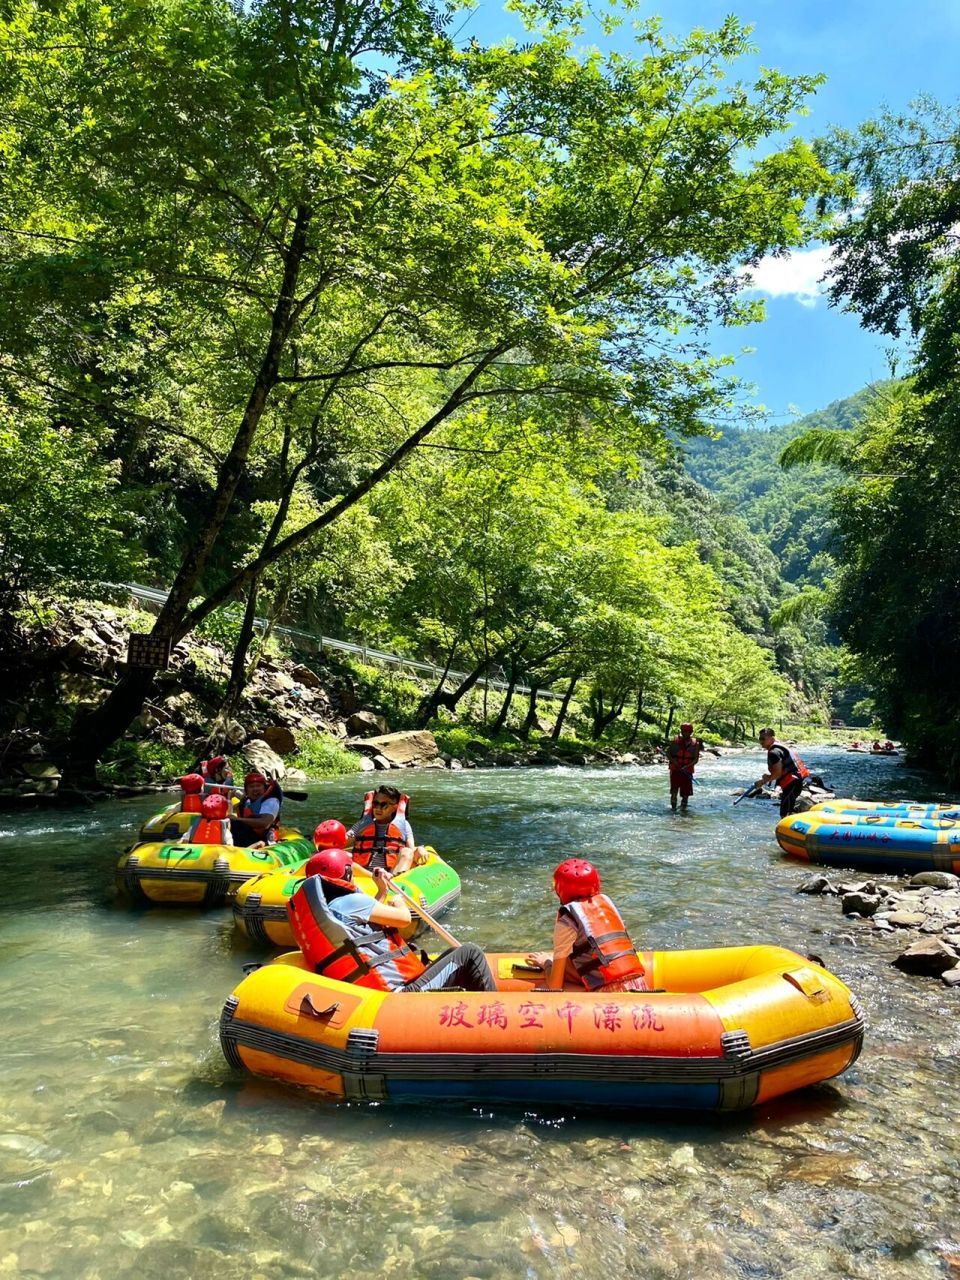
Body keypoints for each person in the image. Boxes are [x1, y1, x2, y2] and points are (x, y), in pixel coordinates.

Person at [288, 849, 496, 993]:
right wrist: (398, 900)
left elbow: (368, 930)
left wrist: (381, 891)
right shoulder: (351, 901)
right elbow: (404, 920)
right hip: (402, 995)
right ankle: (496, 1015)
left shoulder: (330, 910)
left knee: (452, 954)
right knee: (470, 953)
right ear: (347, 873)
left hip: (375, 994)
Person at [526, 858, 649, 993]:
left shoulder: (567, 920)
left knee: (546, 987)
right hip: (639, 986)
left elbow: (555, 986)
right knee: (567, 961)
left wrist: (547, 963)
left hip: (608, 995)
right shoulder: (606, 903)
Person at [345, 787, 420, 875]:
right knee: (341, 855)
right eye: (375, 804)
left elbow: (411, 849)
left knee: (407, 852)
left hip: (391, 874)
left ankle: (391, 883)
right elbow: (342, 842)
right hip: (363, 873)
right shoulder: (362, 824)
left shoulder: (404, 826)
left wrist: (419, 849)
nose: (378, 808)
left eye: (383, 805)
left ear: (395, 807)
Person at [754, 729, 809, 818]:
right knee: (788, 810)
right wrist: (768, 776)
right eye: (759, 739)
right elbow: (779, 770)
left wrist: (762, 781)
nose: (760, 741)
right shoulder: (779, 748)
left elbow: (778, 774)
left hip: (792, 782)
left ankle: (786, 830)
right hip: (796, 781)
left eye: (763, 738)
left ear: (771, 739)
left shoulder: (774, 752)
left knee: (784, 813)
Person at [664, 722, 720, 811]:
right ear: (681, 731)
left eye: (688, 731)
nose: (686, 733)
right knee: (674, 792)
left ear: (691, 732)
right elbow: (668, 753)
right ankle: (673, 811)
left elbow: (695, 759)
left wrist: (687, 766)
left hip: (687, 770)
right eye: (684, 731)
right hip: (676, 770)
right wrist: (675, 762)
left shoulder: (695, 744)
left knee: (685, 794)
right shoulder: (675, 741)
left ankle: (683, 811)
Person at [230, 771, 283, 848]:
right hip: (248, 835)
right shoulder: (247, 800)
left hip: (265, 837)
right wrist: (230, 797)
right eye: (251, 786)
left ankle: (256, 846)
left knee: (235, 822)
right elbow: (240, 798)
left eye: (258, 786)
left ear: (264, 788)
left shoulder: (271, 801)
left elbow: (264, 823)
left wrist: (238, 819)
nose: (255, 789)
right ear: (246, 790)